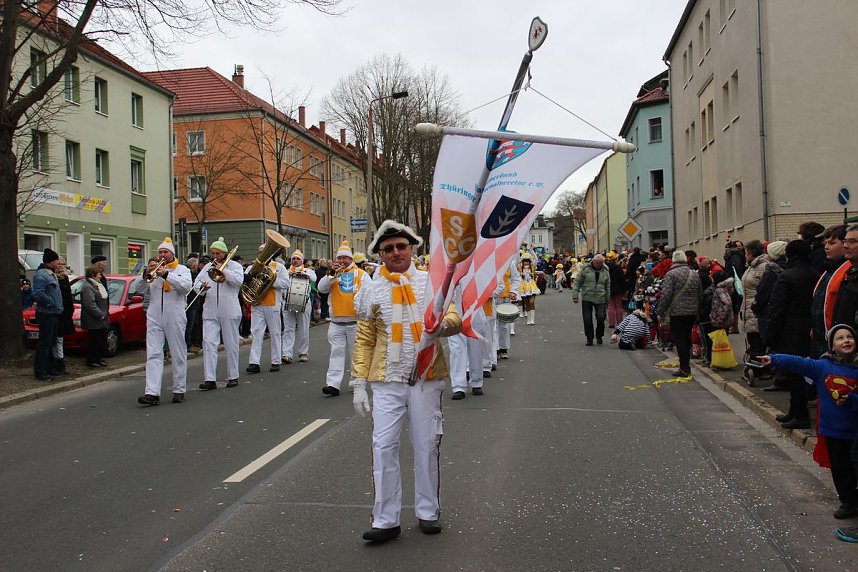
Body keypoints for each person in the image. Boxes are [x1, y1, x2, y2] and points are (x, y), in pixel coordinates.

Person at [349, 220, 461, 542]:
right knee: (383, 446)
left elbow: (454, 316)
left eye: (401, 246)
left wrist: (440, 326)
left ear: (412, 248)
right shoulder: (371, 288)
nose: (396, 252)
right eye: (388, 249)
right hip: (387, 380)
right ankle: (386, 519)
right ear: (380, 254)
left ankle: (427, 511)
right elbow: (364, 339)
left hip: (426, 377)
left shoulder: (431, 282)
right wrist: (358, 382)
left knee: (426, 445)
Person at [760, 324, 858, 521]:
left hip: (855, 431)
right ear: (831, 346)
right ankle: (848, 502)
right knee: (840, 469)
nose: (846, 340)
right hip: (833, 431)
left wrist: (852, 400)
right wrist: (775, 359)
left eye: (850, 337)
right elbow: (799, 362)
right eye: (840, 338)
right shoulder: (823, 366)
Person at [765, 240, 820, 428]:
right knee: (801, 373)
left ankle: (800, 415)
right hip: (809, 328)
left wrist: (770, 336)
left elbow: (777, 308)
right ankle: (795, 411)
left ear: (789, 255)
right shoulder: (816, 274)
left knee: (794, 374)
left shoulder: (786, 276)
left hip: (790, 330)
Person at [138, 238, 192, 406]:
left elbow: (186, 287)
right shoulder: (153, 270)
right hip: (154, 313)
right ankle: (152, 392)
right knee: (153, 353)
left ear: (172, 254)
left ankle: (179, 389)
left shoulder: (182, 269)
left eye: (165, 252)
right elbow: (138, 289)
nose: (162, 255)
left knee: (178, 352)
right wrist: (145, 273)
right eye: (160, 252)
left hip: (174, 313)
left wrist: (167, 274)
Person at [318, 240, 371, 396]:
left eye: (344, 258)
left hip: (356, 322)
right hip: (336, 322)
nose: (341, 261)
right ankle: (333, 384)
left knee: (356, 354)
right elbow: (321, 288)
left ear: (351, 259)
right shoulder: (332, 274)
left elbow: (369, 295)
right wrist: (330, 276)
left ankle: (356, 382)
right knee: (336, 353)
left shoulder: (362, 274)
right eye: (339, 258)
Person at [191, 238, 243, 390]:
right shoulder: (208, 266)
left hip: (229, 310)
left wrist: (223, 269)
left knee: (231, 343)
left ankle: (233, 376)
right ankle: (209, 379)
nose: (215, 256)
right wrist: (202, 287)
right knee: (208, 343)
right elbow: (195, 285)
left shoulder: (234, 266)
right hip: (210, 310)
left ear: (225, 253)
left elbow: (238, 281)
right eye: (213, 253)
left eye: (218, 253)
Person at [656, 250, 703, 377]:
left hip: (677, 312)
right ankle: (686, 364)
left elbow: (666, 295)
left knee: (680, 339)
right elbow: (700, 294)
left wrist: (660, 311)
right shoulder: (694, 274)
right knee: (687, 338)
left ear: (673, 260)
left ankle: (684, 367)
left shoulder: (671, 274)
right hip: (692, 311)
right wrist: (698, 309)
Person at [245, 243, 288, 375]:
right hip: (257, 304)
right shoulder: (252, 267)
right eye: (260, 252)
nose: (261, 255)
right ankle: (254, 362)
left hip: (273, 303)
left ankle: (275, 361)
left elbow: (286, 283)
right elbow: (245, 281)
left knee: (275, 333)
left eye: (264, 252)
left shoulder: (279, 267)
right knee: (256, 333)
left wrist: (269, 281)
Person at [811, 225, 848, 359]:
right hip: (821, 338)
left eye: (832, 243)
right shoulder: (828, 270)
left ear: (846, 244)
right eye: (825, 243)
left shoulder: (848, 272)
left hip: (836, 340)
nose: (826, 247)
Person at [31, 248, 64, 380]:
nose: (58, 262)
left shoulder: (51, 273)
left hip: (53, 312)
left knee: (51, 342)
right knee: (44, 343)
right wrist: (50, 302)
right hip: (46, 313)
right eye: (56, 260)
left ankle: (50, 367)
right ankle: (40, 370)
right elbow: (38, 293)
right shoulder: (42, 275)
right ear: (51, 261)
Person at [282, 250, 316, 363]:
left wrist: (303, 274)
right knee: (288, 329)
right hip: (287, 303)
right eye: (293, 259)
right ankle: (287, 353)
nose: (295, 261)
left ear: (301, 261)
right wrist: (288, 274)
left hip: (304, 304)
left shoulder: (307, 271)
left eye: (297, 259)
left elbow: (313, 278)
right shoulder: (285, 271)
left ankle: (303, 352)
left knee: (303, 329)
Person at [739, 240, 769, 365]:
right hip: (749, 307)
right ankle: (755, 363)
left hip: (757, 309)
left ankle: (760, 367)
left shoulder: (763, 266)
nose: (745, 255)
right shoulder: (751, 266)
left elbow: (765, 288)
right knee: (753, 338)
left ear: (750, 253)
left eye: (746, 252)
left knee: (757, 339)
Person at [572, 254, 611, 346]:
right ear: (593, 261)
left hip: (600, 298)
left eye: (600, 263)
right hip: (587, 297)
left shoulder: (605, 271)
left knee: (601, 318)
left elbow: (608, 286)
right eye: (597, 263)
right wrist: (575, 295)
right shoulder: (586, 269)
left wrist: (607, 299)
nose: (598, 265)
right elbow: (577, 282)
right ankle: (589, 338)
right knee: (587, 319)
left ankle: (599, 335)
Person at [81, 265, 109, 368]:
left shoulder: (97, 285)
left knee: (100, 340)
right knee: (94, 341)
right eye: (98, 275)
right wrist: (100, 314)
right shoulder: (88, 287)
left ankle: (98, 359)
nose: (100, 277)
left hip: (102, 318)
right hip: (94, 319)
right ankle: (91, 360)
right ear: (92, 275)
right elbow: (90, 304)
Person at [494, 258, 521, 359]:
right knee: (494, 326)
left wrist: (513, 292)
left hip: (505, 297)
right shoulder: (488, 260)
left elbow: (516, 278)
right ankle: (495, 349)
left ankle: (503, 348)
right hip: (492, 298)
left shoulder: (509, 262)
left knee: (504, 325)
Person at [53, 258, 75, 375]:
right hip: (58, 312)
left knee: (60, 338)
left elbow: (68, 296)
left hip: (66, 312)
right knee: (57, 339)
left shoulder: (65, 278)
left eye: (63, 264)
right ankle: (58, 362)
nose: (61, 266)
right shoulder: (54, 278)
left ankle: (60, 361)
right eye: (60, 264)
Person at [518, 254, 540, 325]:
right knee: (527, 303)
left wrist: (532, 252)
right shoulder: (520, 268)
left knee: (531, 302)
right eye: (525, 261)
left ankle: (532, 319)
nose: (526, 262)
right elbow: (516, 262)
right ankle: (528, 319)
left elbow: (536, 260)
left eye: (527, 261)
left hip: (532, 286)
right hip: (524, 286)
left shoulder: (532, 267)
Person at [606, 251, 625, 328]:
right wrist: (624, 289)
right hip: (618, 289)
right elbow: (622, 279)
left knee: (610, 306)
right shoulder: (618, 268)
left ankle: (611, 323)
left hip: (609, 288)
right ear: (615, 259)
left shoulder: (606, 268)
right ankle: (620, 322)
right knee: (618, 306)